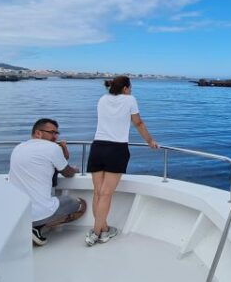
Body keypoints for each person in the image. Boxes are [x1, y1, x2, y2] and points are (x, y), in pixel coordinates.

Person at [86, 76, 159, 246]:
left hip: (97, 147)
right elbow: (138, 122)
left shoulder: (102, 99)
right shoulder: (129, 99)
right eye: (130, 88)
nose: (131, 90)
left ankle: (103, 230)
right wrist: (149, 141)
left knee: (97, 192)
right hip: (116, 149)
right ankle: (95, 233)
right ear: (125, 88)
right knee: (106, 193)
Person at [9, 118, 86, 246]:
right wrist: (75, 169)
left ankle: (32, 227)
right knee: (81, 205)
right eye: (51, 133)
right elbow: (68, 173)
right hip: (38, 212)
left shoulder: (18, 147)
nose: (55, 136)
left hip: (18, 213)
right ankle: (38, 227)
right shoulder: (52, 148)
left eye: (57, 133)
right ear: (38, 133)